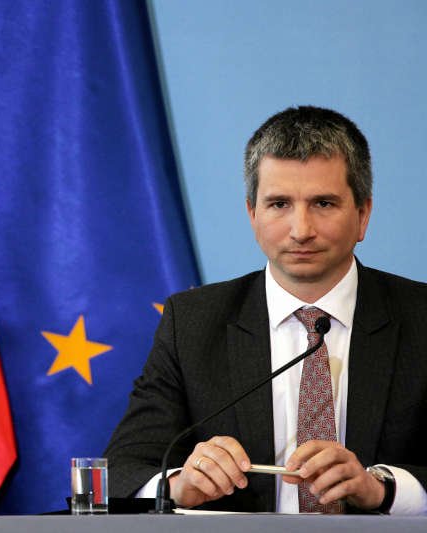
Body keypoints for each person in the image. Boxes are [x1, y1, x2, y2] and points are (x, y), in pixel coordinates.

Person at [104, 105, 427, 514]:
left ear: (363, 215)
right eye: (279, 204)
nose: (301, 230)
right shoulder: (192, 323)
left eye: (323, 203)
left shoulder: (420, 318)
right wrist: (178, 485)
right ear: (252, 214)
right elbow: (120, 471)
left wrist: (384, 489)